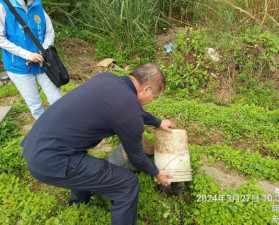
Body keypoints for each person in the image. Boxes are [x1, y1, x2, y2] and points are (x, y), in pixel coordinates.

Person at [21, 64, 174, 225]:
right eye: (154, 97)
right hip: (50, 162)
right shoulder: (128, 110)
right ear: (147, 89)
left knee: (82, 159)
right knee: (127, 184)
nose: (152, 101)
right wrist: (156, 172)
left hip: (35, 145)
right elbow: (136, 156)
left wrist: (157, 122)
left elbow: (130, 110)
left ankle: (80, 204)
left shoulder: (106, 78)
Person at [0, 0, 61, 119]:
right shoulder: (3, 6)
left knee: (57, 100)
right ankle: (45, 132)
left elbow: (49, 32)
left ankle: (64, 128)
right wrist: (27, 55)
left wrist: (43, 51)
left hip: (44, 63)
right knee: (36, 106)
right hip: (18, 67)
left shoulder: (37, 4)